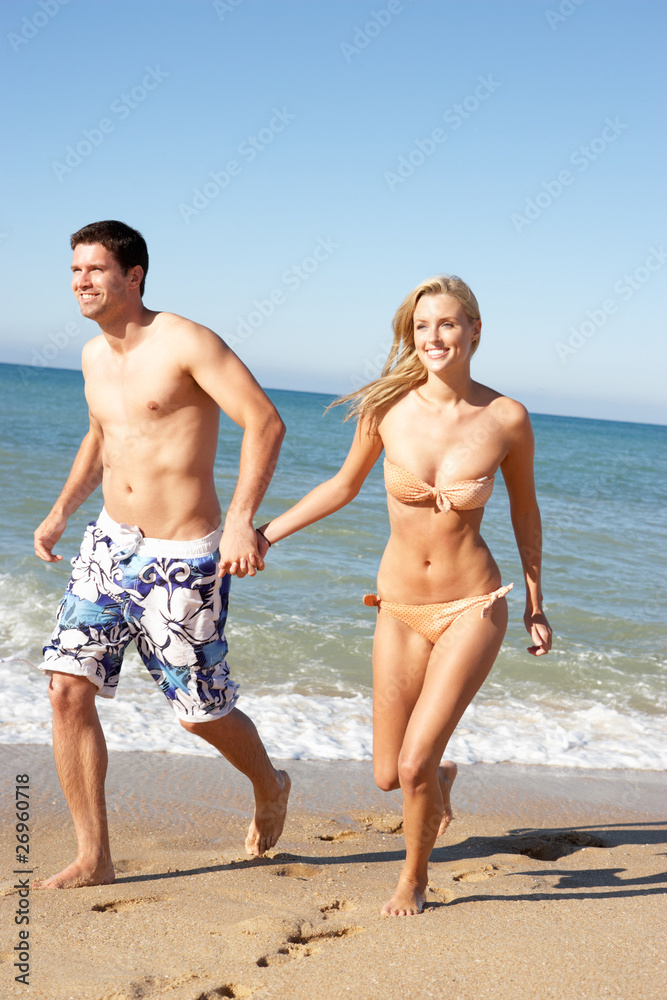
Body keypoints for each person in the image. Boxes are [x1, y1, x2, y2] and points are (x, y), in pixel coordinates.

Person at [254, 275, 552, 916]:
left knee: (413, 763)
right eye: (422, 327)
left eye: (447, 324)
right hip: (398, 609)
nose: (434, 337)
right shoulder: (386, 409)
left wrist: (534, 598)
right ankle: (440, 779)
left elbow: (526, 513)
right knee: (390, 774)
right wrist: (265, 535)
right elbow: (341, 486)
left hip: (473, 604)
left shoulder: (506, 418)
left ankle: (413, 879)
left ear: (475, 330)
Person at [32, 220, 290, 889]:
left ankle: (269, 783)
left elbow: (264, 421)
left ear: (133, 276)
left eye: (93, 270)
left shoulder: (186, 342)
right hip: (108, 545)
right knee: (65, 690)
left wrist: (240, 521)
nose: (79, 282)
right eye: (73, 271)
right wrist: (62, 513)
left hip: (182, 557)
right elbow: (102, 435)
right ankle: (95, 855)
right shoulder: (93, 356)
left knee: (198, 712)